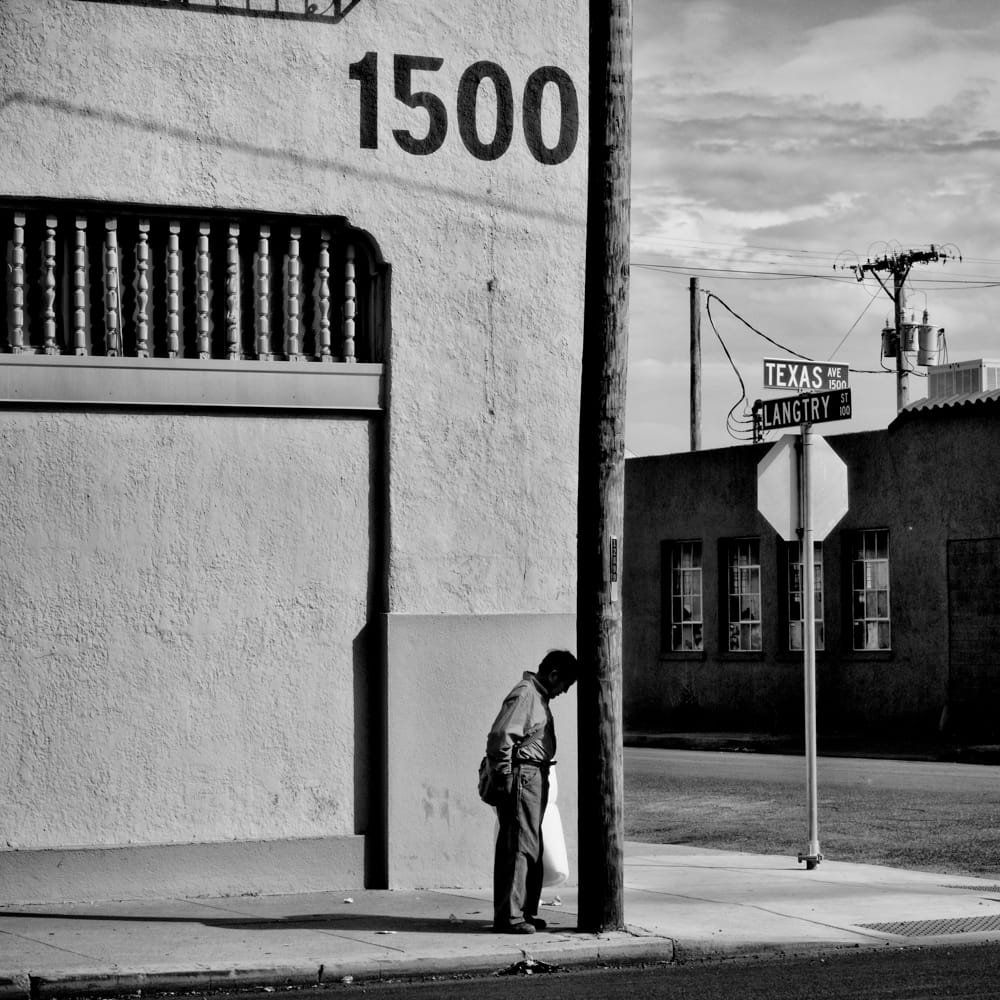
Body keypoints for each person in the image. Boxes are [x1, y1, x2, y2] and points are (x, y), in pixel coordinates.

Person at [485, 649, 579, 934]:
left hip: (533, 774)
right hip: (522, 775)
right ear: (553, 675)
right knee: (519, 846)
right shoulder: (526, 694)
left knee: (531, 846)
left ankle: (524, 911)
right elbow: (500, 736)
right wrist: (504, 776)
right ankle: (510, 917)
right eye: (565, 684)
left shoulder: (537, 696)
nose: (564, 691)